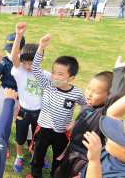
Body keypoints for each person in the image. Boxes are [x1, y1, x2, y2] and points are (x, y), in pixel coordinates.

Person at [54, 56, 125, 178]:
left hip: (84, 158)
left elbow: (118, 94)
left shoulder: (105, 111)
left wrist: (119, 69)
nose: (89, 94)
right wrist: (75, 123)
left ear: (108, 97)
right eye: (88, 88)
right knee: (58, 174)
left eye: (96, 92)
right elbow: (85, 116)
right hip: (71, 150)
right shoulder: (89, 104)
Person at [28, 33, 87, 178]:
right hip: (43, 129)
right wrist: (41, 47)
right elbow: (35, 68)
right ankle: (35, 175)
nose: (54, 76)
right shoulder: (47, 84)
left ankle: (56, 175)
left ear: (71, 78)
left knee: (58, 158)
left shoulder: (77, 93)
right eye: (53, 72)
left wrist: (76, 121)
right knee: (38, 155)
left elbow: (87, 109)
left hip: (61, 132)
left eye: (60, 74)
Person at [9, 23, 52, 173]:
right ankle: (19, 156)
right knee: (20, 137)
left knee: (40, 138)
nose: (27, 66)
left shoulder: (46, 76)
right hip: (23, 112)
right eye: (24, 62)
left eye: (31, 63)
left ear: (40, 60)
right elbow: (14, 56)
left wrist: (41, 46)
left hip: (40, 113)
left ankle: (40, 154)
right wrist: (18, 35)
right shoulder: (20, 72)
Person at [80, 86, 125, 178]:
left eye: (117, 138)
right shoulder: (120, 153)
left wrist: (94, 161)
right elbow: (113, 114)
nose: (110, 136)